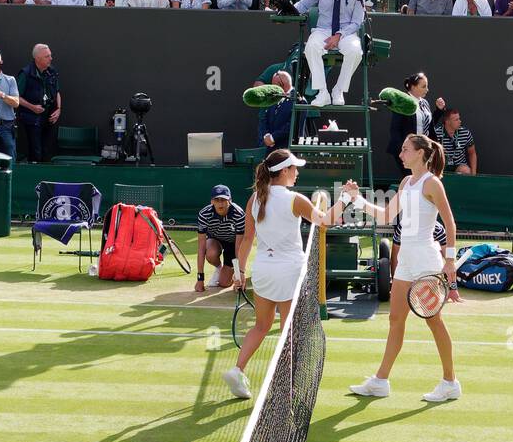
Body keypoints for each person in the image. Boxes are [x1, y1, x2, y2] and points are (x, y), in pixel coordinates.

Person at [342, 134, 462, 404]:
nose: (401, 154)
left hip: (427, 261)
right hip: (406, 260)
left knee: (434, 321)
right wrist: (356, 199)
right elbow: (385, 216)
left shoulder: (433, 184)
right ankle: (380, 381)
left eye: (406, 149)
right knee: (395, 319)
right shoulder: (406, 182)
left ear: (421, 153)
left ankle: (450, 382)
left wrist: (450, 260)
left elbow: (451, 224)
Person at [223, 151, 352, 399]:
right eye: (294, 168)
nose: (297, 172)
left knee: (261, 325)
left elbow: (248, 239)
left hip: (262, 271)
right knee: (288, 331)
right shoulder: (295, 199)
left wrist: (240, 271)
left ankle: (238, 369)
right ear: (283, 172)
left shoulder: (255, 199)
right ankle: (285, 384)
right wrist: (345, 197)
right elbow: (326, 222)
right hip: (289, 272)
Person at [294, 0, 364, 106]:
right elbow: (305, 4)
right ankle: (322, 92)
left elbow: (357, 22)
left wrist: (339, 35)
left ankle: (338, 90)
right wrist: (287, 8)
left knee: (356, 51)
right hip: (323, 30)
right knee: (311, 46)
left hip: (345, 33)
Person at [194, 184, 246, 292]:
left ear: (230, 200)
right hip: (214, 240)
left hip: (233, 244)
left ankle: (230, 275)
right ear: (212, 201)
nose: (220, 203)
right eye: (216, 200)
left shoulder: (239, 214)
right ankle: (219, 268)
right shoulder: (204, 214)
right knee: (210, 253)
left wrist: (239, 274)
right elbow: (201, 247)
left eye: (223, 200)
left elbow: (239, 248)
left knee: (224, 283)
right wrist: (200, 279)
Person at [17, 43, 61, 163]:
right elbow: (16, 97)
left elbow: (57, 91)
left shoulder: (52, 71)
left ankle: (46, 178)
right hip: (32, 118)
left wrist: (58, 109)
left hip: (49, 118)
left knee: (47, 151)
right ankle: (34, 177)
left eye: (50, 55)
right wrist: (32, 107)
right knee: (36, 151)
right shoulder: (26, 73)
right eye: (47, 56)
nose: (51, 59)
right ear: (37, 58)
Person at [432, 104, 476, 175]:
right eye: (456, 120)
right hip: (442, 165)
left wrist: (473, 174)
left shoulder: (465, 133)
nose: (460, 121)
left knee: (466, 170)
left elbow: (472, 153)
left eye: (459, 118)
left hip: (459, 165)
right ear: (447, 121)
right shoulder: (436, 133)